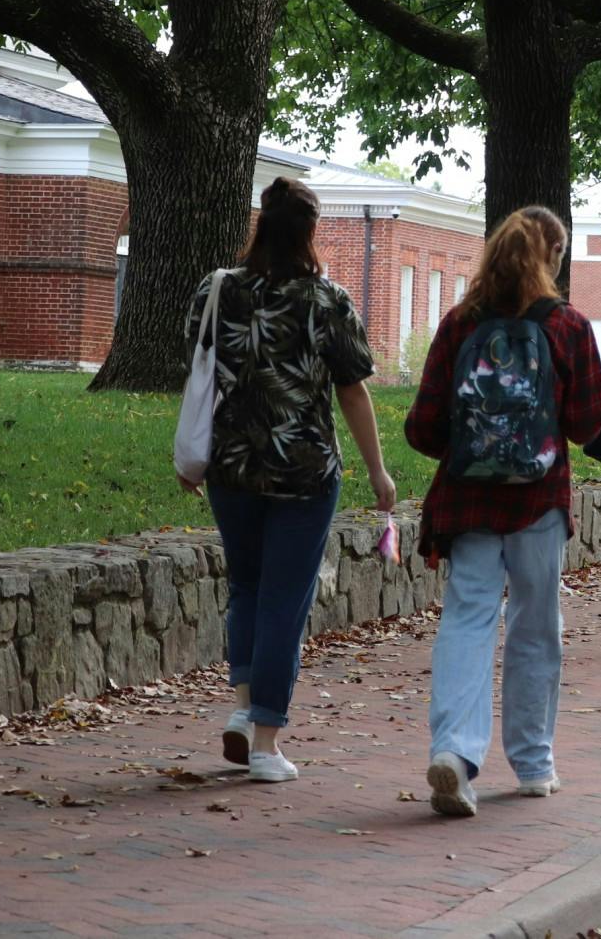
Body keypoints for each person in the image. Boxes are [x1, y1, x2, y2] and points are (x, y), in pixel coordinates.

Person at [180, 177, 397, 784]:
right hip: (304, 471)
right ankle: (266, 744)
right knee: (283, 601)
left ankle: (246, 709)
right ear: (309, 231)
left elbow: (197, 364)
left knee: (247, 589)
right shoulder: (327, 300)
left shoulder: (217, 289)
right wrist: (378, 470)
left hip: (231, 465)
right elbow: (352, 390)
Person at [408, 206, 601, 818]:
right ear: (552, 258)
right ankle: (533, 762)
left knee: (467, 620)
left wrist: (474, 445)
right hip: (539, 501)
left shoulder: (459, 324)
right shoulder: (567, 327)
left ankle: (455, 754)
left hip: (468, 501)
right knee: (534, 623)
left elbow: (422, 428)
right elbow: (587, 423)